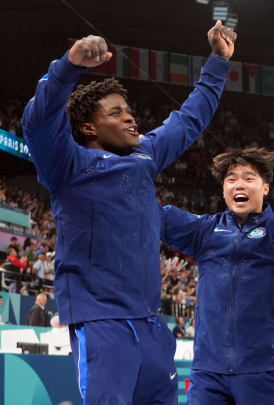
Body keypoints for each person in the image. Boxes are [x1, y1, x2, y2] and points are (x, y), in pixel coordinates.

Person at [21, 21, 235, 404]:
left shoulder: (145, 155)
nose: (130, 118)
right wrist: (68, 67)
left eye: (130, 111)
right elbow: (38, 123)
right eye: (116, 113)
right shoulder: (68, 165)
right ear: (89, 126)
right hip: (102, 321)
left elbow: (188, 121)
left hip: (151, 325)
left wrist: (218, 60)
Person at [161, 147, 274, 404]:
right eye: (231, 179)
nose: (240, 184)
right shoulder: (204, 231)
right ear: (224, 189)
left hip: (261, 370)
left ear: (266, 188)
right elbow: (151, 215)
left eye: (249, 178)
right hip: (207, 372)